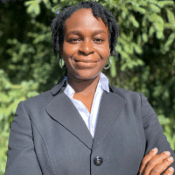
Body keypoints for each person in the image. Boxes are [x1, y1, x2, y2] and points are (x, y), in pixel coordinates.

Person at [4, 1, 175, 175]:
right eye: (75, 39)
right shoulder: (31, 113)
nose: (86, 49)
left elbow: (167, 167)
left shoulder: (136, 106)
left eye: (98, 39)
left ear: (110, 48)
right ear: (61, 47)